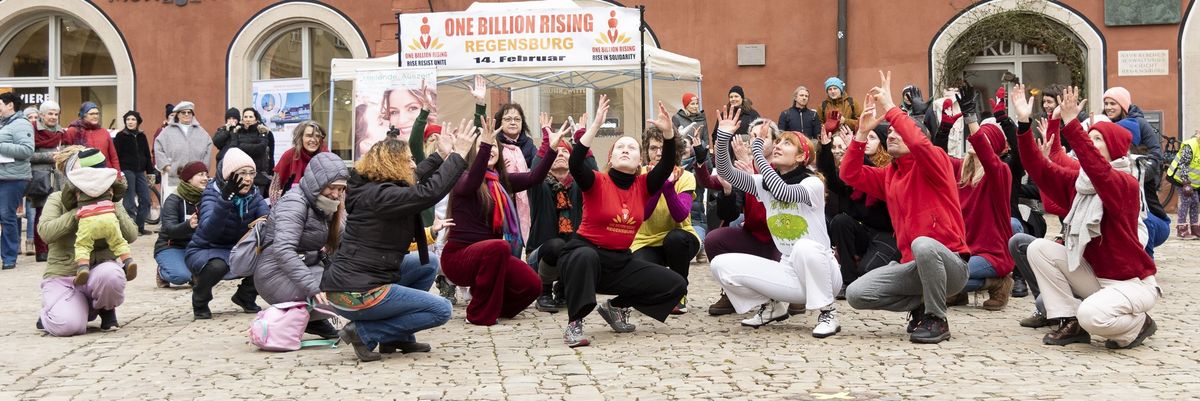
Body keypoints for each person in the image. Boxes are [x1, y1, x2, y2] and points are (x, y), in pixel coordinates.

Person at [1017, 86, 1160, 349]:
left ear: (1114, 148)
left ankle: (1138, 324)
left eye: (1097, 139)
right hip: (1096, 277)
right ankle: (1070, 320)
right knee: (1038, 249)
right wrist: (1024, 124)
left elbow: (1098, 170)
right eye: (1089, 138)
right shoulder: (1082, 183)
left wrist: (1071, 124)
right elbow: (1039, 169)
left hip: (1131, 284)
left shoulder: (1123, 183)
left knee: (1092, 316)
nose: (1089, 144)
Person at [321, 123, 472, 362]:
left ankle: (396, 337)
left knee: (428, 262)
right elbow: (427, 193)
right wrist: (458, 156)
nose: (414, 164)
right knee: (441, 309)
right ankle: (363, 333)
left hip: (351, 283)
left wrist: (440, 156)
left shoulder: (373, 188)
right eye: (409, 160)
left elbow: (414, 179)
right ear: (392, 165)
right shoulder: (381, 196)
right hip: (356, 293)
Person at [841, 71, 970, 344]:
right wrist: (862, 134)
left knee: (923, 244)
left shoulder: (935, 161)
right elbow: (849, 175)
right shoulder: (890, 173)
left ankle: (937, 318)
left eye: (899, 131)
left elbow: (919, 143)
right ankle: (921, 306)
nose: (891, 133)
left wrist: (890, 109)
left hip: (952, 265)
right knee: (856, 294)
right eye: (889, 132)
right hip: (912, 265)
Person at [556, 96, 687, 347]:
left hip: (620, 261)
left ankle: (616, 307)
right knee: (585, 256)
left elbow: (667, 163)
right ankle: (575, 323)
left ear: (640, 161)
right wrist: (594, 127)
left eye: (632, 148)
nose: (625, 150)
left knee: (676, 284)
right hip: (583, 255)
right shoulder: (596, 181)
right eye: (619, 147)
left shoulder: (644, 185)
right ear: (611, 158)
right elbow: (575, 163)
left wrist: (668, 133)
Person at [710, 112, 843, 337]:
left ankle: (828, 312)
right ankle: (773, 306)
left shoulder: (812, 184)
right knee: (721, 265)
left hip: (824, 274)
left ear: (802, 157)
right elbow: (726, 173)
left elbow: (783, 191)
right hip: (789, 272)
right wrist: (723, 137)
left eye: (787, 143)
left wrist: (760, 154)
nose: (780, 145)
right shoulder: (765, 182)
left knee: (804, 246)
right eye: (778, 141)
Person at [443, 119, 564, 326]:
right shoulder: (461, 178)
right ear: (476, 150)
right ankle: (478, 314)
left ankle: (496, 306)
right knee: (500, 246)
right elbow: (473, 181)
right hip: (459, 258)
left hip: (492, 257)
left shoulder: (500, 180)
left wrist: (551, 149)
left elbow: (534, 177)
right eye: (484, 145)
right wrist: (486, 144)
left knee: (531, 284)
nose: (490, 150)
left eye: (493, 147)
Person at [37, 146, 138, 334]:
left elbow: (131, 235)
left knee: (112, 274)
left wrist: (111, 207)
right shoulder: (57, 199)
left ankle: (106, 309)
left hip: (97, 273)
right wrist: (79, 213)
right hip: (64, 276)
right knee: (68, 326)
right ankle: (50, 313)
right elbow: (45, 232)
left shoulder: (111, 197)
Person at [253, 153, 347, 340]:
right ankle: (300, 316)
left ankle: (311, 319)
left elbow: (343, 239)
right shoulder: (294, 203)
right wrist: (313, 288)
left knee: (349, 284)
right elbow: (283, 250)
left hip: (306, 265)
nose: (336, 194)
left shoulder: (326, 205)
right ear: (318, 182)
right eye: (332, 187)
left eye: (341, 189)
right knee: (341, 295)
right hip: (274, 272)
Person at [185, 148, 269, 319]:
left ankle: (245, 296)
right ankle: (200, 300)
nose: (248, 178)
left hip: (239, 248)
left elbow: (267, 219)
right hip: (207, 249)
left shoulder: (254, 195)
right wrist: (225, 200)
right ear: (229, 175)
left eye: (251, 173)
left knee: (271, 257)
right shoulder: (212, 194)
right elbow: (209, 232)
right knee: (218, 266)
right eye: (242, 173)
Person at [819, 123, 899, 296]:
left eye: (872, 138)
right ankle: (847, 281)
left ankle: (894, 269)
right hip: (865, 232)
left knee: (866, 272)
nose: (867, 141)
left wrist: (856, 148)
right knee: (841, 220)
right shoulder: (855, 167)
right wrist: (825, 147)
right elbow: (833, 181)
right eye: (865, 137)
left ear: (882, 142)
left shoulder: (891, 167)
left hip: (887, 235)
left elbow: (874, 175)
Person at [944, 118, 1015, 311]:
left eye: (982, 139)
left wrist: (972, 119)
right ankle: (961, 292)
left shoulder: (1000, 173)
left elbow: (990, 161)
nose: (974, 140)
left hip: (992, 253)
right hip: (964, 249)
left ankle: (999, 282)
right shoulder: (961, 171)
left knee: (944, 280)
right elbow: (934, 155)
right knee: (936, 276)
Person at [631, 124, 701, 314]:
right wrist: (657, 183)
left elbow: (680, 215)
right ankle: (659, 292)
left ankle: (680, 292)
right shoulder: (639, 176)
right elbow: (643, 214)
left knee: (676, 238)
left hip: (680, 239)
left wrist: (669, 188)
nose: (659, 153)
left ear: (674, 150)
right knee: (641, 275)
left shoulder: (685, 176)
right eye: (653, 148)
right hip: (646, 242)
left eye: (664, 148)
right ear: (646, 151)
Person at [1101, 87, 1170, 256]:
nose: (1109, 107)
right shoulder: (1110, 123)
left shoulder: (1134, 124)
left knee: (1139, 216)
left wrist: (1140, 174)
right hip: (1131, 174)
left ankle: (1146, 261)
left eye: (1113, 103)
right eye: (1106, 103)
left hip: (1143, 184)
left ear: (1123, 105)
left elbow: (1154, 154)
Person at [527, 128, 589, 313]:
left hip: (569, 251)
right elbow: (536, 169)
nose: (561, 154)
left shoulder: (578, 187)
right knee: (556, 245)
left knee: (581, 248)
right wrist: (548, 145)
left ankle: (563, 289)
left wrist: (580, 139)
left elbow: (591, 170)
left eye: (565, 151)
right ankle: (544, 292)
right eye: (557, 151)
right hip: (540, 255)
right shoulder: (538, 185)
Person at [63, 148, 136, 285]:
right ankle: (128, 261)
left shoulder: (75, 178)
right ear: (103, 162)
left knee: (83, 244)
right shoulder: (110, 175)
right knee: (118, 241)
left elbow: (67, 199)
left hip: (87, 218)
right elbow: (121, 187)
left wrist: (75, 204)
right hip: (108, 216)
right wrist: (113, 197)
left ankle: (83, 268)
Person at [154, 162, 208, 288]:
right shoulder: (173, 200)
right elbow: (169, 229)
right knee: (180, 276)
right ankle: (162, 272)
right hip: (171, 246)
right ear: (189, 178)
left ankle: (192, 272)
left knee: (212, 272)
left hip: (195, 247)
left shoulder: (207, 198)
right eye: (201, 175)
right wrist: (188, 225)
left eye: (206, 175)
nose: (205, 178)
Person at [0, 92, 35, 270]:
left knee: (7, 216)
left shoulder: (21, 124)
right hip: (2, 176)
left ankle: (9, 257)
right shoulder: (3, 124)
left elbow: (27, 150)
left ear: (10, 105)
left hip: (13, 178)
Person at [29, 100, 66, 262]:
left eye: (56, 114)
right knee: (41, 214)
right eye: (50, 114)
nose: (53, 117)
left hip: (58, 179)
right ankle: (41, 250)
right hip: (41, 179)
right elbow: (28, 155)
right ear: (42, 115)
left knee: (58, 214)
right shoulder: (32, 131)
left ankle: (55, 249)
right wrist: (50, 157)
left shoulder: (62, 133)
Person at [113, 110, 156, 235]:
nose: (130, 122)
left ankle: (140, 226)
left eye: (133, 120)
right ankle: (131, 229)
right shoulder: (121, 136)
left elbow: (147, 155)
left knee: (146, 199)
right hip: (127, 170)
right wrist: (119, 173)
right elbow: (116, 156)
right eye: (128, 120)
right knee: (130, 201)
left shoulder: (142, 136)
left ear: (138, 122)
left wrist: (150, 172)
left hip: (140, 171)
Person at [214, 108, 274, 196]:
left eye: (250, 116)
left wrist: (242, 146)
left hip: (259, 176)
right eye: (245, 117)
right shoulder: (238, 131)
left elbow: (261, 149)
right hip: (240, 177)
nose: (248, 119)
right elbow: (233, 148)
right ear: (242, 119)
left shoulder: (264, 132)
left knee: (256, 203)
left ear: (256, 118)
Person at [155, 101, 212, 191]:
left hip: (195, 180)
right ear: (177, 115)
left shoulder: (201, 132)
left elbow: (208, 150)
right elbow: (158, 148)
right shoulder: (167, 131)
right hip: (174, 179)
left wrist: (203, 170)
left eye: (189, 112)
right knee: (173, 203)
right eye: (183, 112)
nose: (186, 114)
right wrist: (167, 167)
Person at [270, 120, 327, 204]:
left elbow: (338, 189)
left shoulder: (326, 157)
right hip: (293, 206)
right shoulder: (289, 155)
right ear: (300, 137)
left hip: (320, 206)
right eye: (309, 136)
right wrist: (276, 210)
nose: (314, 140)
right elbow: (274, 188)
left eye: (317, 136)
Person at [64, 102, 120, 171]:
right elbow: (65, 156)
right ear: (83, 115)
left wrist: (117, 174)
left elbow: (113, 156)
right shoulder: (73, 131)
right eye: (91, 114)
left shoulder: (104, 132)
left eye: (97, 113)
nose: (95, 116)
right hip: (82, 174)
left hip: (105, 173)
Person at [1168, 132, 1199, 238]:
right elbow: (1183, 164)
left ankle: (1195, 228)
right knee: (1186, 201)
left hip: (1194, 182)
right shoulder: (1190, 146)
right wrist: (1185, 183)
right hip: (1180, 178)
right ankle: (1181, 229)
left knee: (1195, 202)